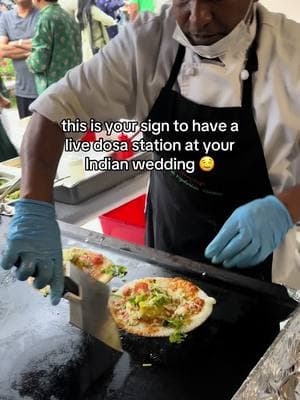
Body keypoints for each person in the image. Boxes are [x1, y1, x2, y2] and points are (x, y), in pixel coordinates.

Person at [1, 0, 300, 306]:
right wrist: (34, 206)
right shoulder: (149, 39)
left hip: (260, 258)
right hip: (168, 243)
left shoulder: (293, 53)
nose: (197, 19)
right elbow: (55, 110)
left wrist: (284, 209)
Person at [26, 0, 82, 95]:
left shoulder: (45, 18)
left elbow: (39, 63)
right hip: (72, 84)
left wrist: (29, 60)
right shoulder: (67, 15)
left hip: (53, 91)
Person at [0, 0, 39, 118]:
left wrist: (14, 43)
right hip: (23, 90)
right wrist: (33, 48)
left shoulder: (42, 13)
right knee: (28, 133)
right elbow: (2, 50)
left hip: (46, 88)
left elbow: (46, 45)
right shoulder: (6, 18)